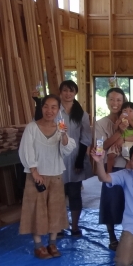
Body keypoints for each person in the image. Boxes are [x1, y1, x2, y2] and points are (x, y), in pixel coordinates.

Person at [18, 94, 76, 259]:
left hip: (55, 174)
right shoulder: (32, 127)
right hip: (36, 176)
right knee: (36, 210)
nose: (49, 110)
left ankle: (52, 243)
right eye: (46, 107)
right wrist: (34, 171)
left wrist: (63, 135)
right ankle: (38, 245)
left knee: (55, 210)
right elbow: (26, 150)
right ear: (41, 108)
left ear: (58, 110)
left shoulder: (60, 129)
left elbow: (67, 149)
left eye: (53, 107)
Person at [95, 87, 133, 250]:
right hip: (112, 168)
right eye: (111, 99)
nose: (115, 103)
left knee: (132, 203)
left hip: (132, 167)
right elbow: (101, 146)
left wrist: (123, 138)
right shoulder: (100, 123)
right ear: (106, 101)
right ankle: (112, 237)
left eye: (119, 100)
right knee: (110, 202)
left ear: (124, 102)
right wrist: (119, 132)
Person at [54, 80, 91, 238]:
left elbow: (86, 138)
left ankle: (75, 226)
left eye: (71, 91)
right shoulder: (54, 112)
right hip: (57, 157)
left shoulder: (82, 114)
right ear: (60, 92)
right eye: (65, 90)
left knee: (75, 194)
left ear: (75, 93)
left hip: (75, 157)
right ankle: (59, 226)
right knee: (58, 195)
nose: (68, 94)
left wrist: (80, 159)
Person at [106, 101, 133, 172]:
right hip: (118, 141)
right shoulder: (120, 120)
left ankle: (128, 169)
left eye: (130, 111)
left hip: (129, 143)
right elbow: (115, 128)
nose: (127, 113)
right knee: (110, 155)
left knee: (128, 156)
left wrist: (130, 121)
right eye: (125, 110)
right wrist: (120, 120)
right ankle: (108, 172)